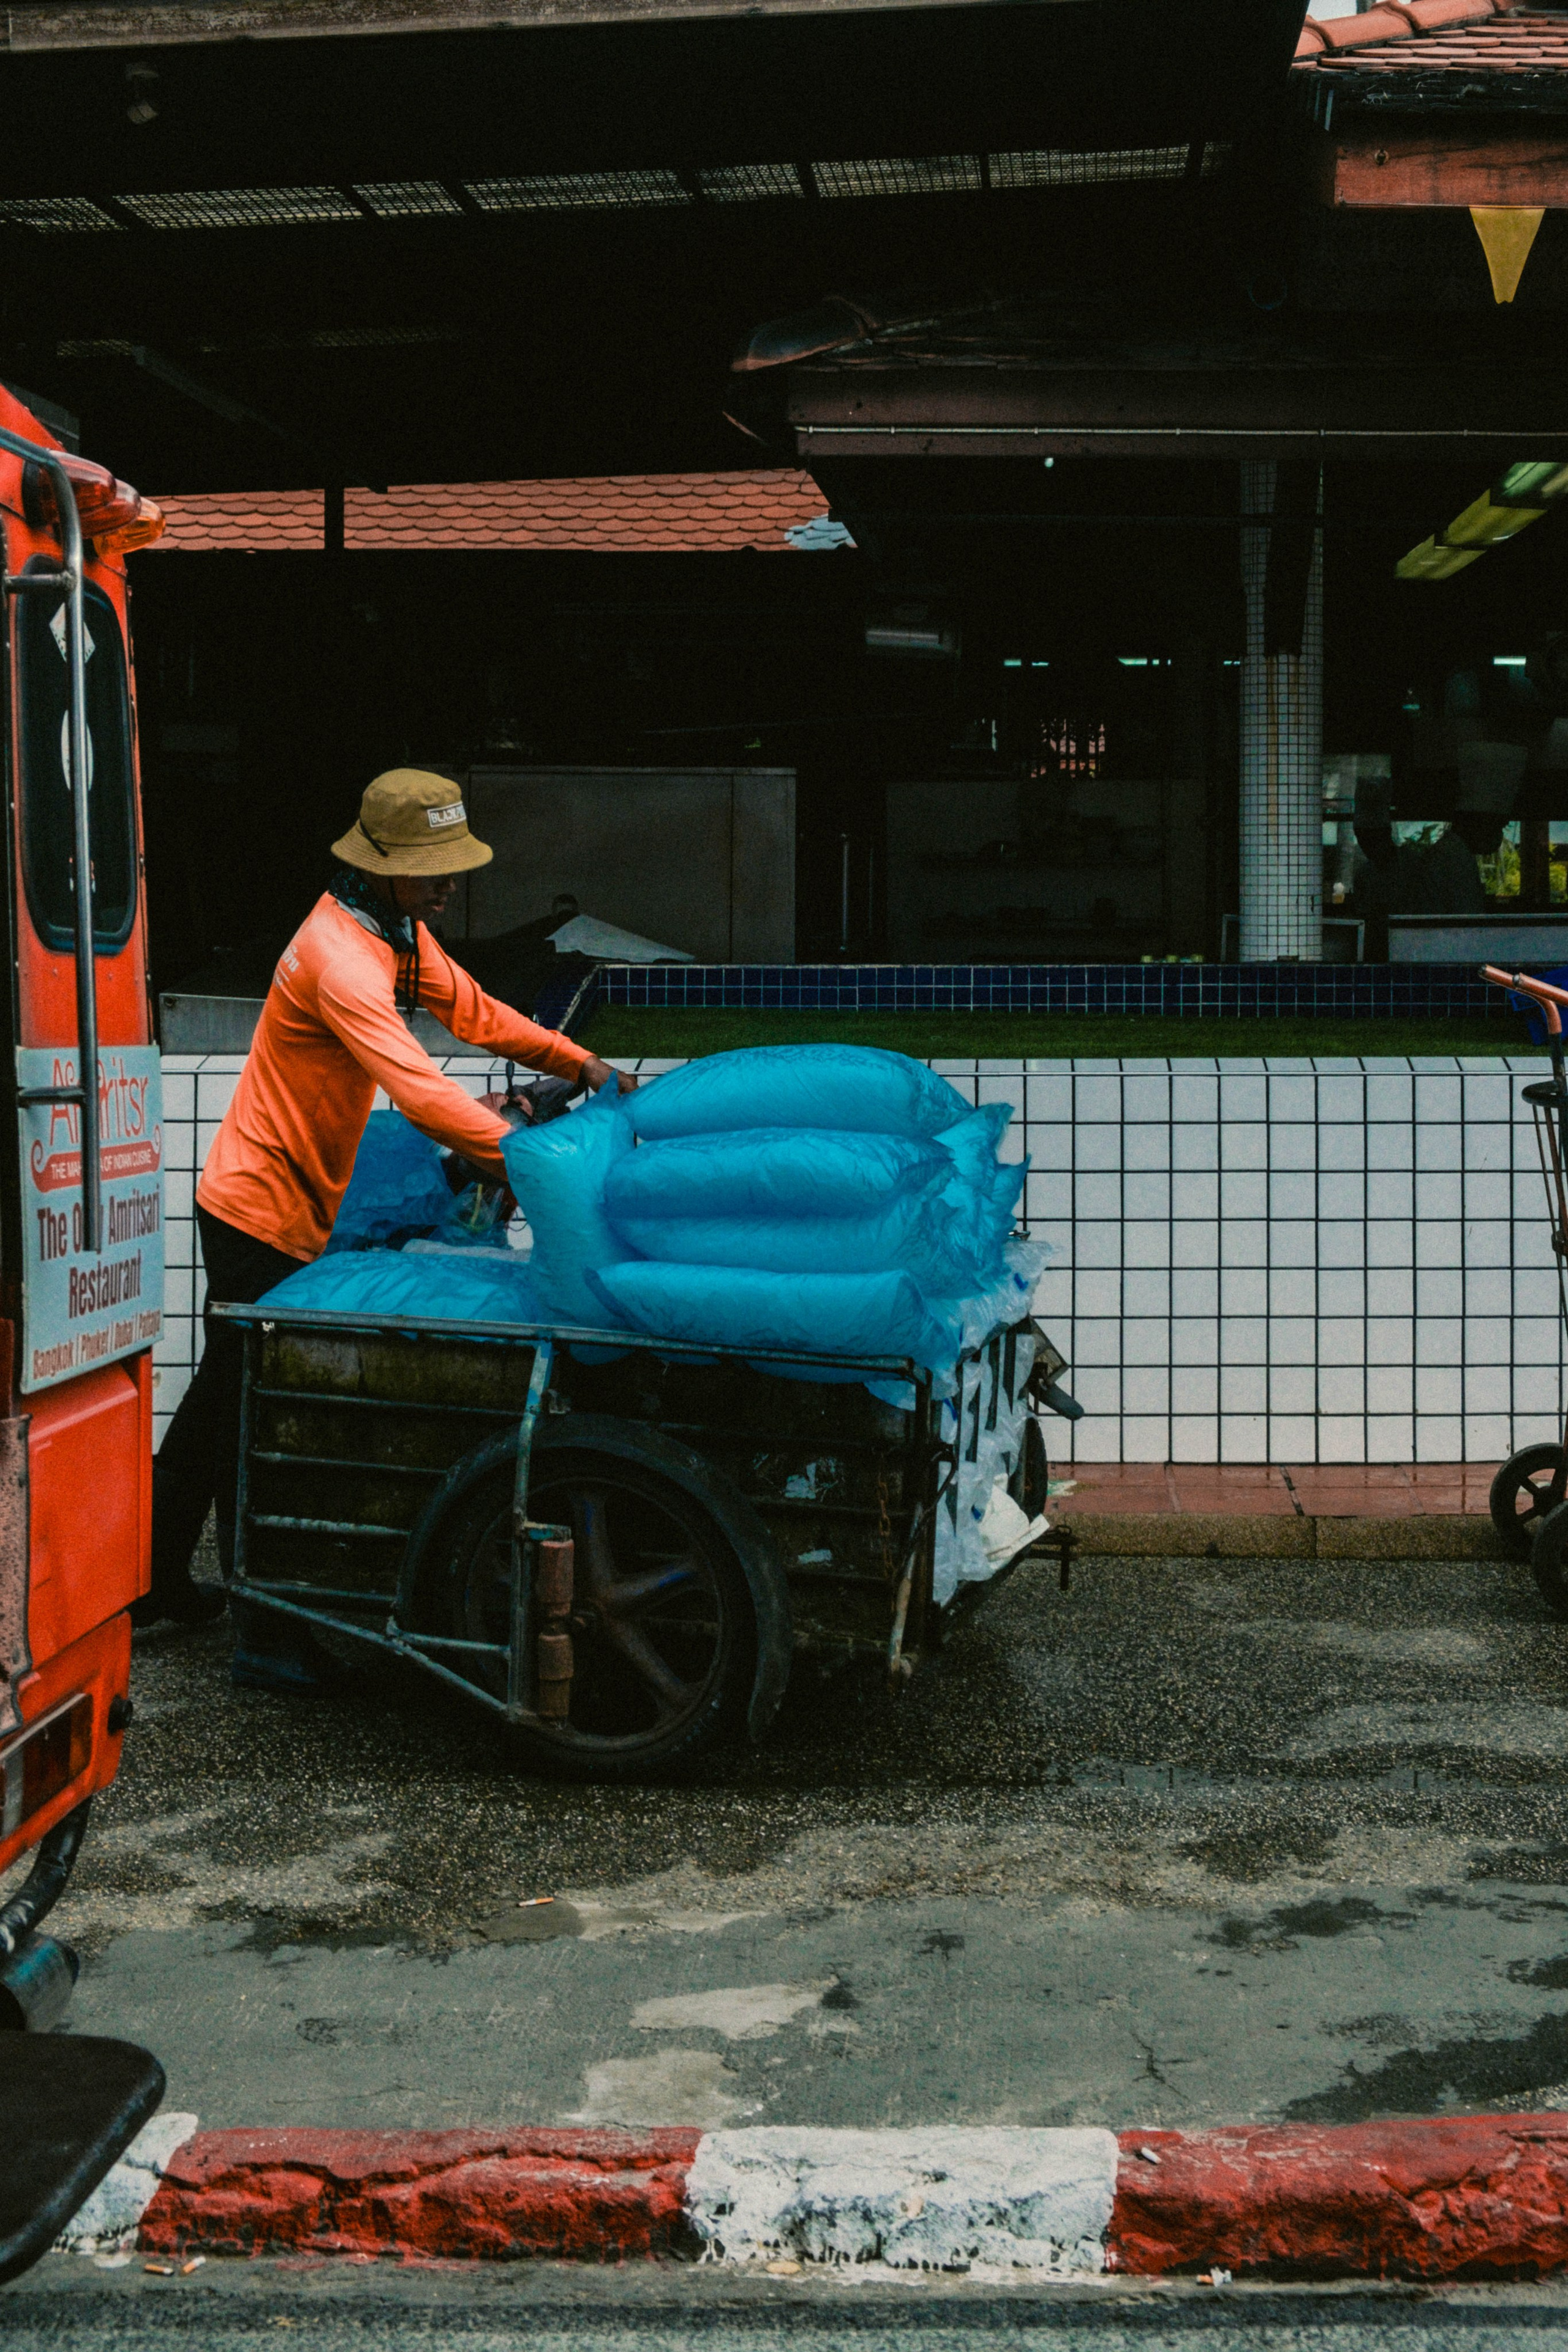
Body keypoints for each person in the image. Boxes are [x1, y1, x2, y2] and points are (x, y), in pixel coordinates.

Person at [137, 768, 636, 1674]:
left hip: (291, 1202)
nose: (451, 883)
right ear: (381, 866)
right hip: (256, 1208)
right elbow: (419, 1087)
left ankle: (156, 1580)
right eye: (432, 867)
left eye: (454, 864)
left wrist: (583, 1061)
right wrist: (523, 1159)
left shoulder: (394, 931)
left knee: (223, 1397)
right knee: (253, 1409)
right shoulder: (342, 959)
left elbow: (475, 1014)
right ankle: (267, 1633)